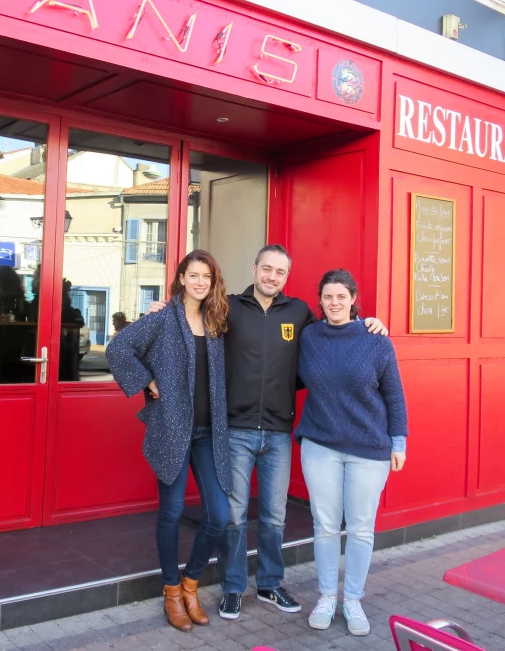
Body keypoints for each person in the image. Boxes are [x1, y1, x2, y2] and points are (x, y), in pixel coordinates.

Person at [147, 245, 387, 621]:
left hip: (278, 431)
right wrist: (162, 311)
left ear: (286, 278)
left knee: (275, 516)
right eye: (267, 269)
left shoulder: (299, 313)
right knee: (234, 516)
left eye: (280, 272)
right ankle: (232, 588)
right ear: (254, 267)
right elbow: (188, 320)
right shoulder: (225, 307)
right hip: (236, 429)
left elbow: (335, 328)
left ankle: (271, 583)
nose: (272, 277)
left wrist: (368, 323)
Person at [105, 250, 233, 632]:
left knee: (219, 516)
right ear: (180, 278)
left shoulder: (217, 321)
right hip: (173, 428)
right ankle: (171, 591)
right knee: (172, 513)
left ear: (213, 281)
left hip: (209, 432)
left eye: (205, 276)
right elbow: (117, 348)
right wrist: (146, 380)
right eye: (192, 275)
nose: (199, 282)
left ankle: (191, 583)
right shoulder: (161, 318)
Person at [293, 269, 408, 636]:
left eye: (341, 296)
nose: (335, 303)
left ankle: (353, 599)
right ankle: (327, 595)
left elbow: (394, 395)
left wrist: (399, 441)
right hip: (320, 444)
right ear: (321, 301)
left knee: (360, 529)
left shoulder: (376, 340)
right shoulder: (309, 337)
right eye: (328, 297)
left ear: (354, 298)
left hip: (368, 448)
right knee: (325, 526)